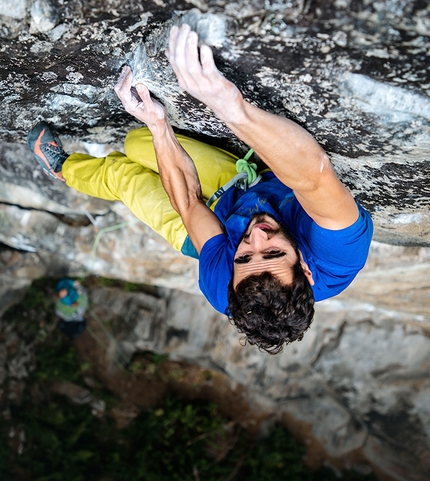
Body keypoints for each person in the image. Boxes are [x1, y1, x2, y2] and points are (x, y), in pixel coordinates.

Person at [27, 24, 373, 354]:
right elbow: (314, 175)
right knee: (136, 143)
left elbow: (190, 205)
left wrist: (159, 124)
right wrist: (230, 107)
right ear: (307, 270)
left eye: (245, 257)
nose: (256, 238)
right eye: (273, 253)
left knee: (124, 176)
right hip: (246, 190)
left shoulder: (224, 283)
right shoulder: (337, 254)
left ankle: (64, 168)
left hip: (210, 229)